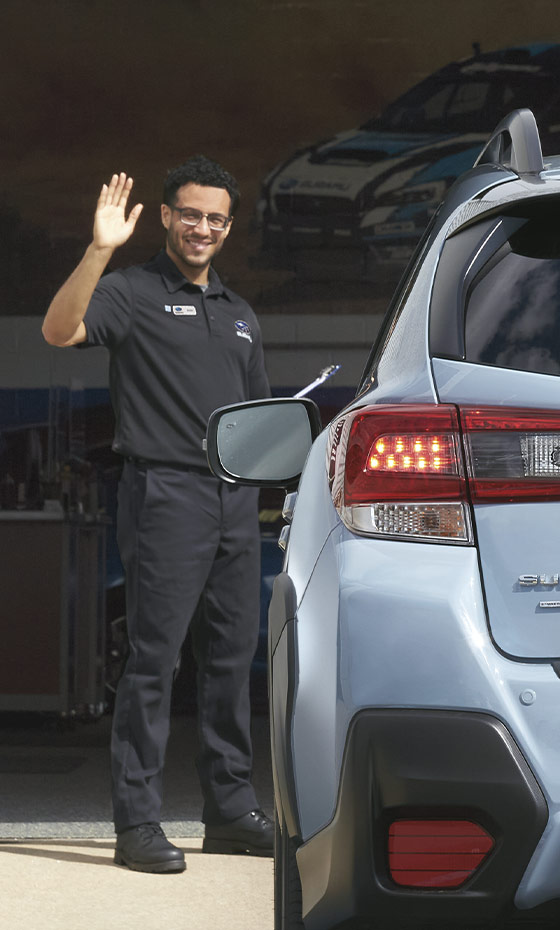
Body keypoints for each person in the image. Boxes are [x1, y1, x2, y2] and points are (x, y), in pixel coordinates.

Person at [42, 156, 273, 873]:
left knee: (232, 663)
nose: (203, 228)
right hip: (165, 494)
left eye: (217, 218)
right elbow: (58, 331)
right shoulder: (132, 292)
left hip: (236, 501)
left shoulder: (240, 314)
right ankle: (137, 822)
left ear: (227, 228)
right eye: (191, 214)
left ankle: (230, 811)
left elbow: (258, 424)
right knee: (154, 662)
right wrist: (100, 248)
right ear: (168, 217)